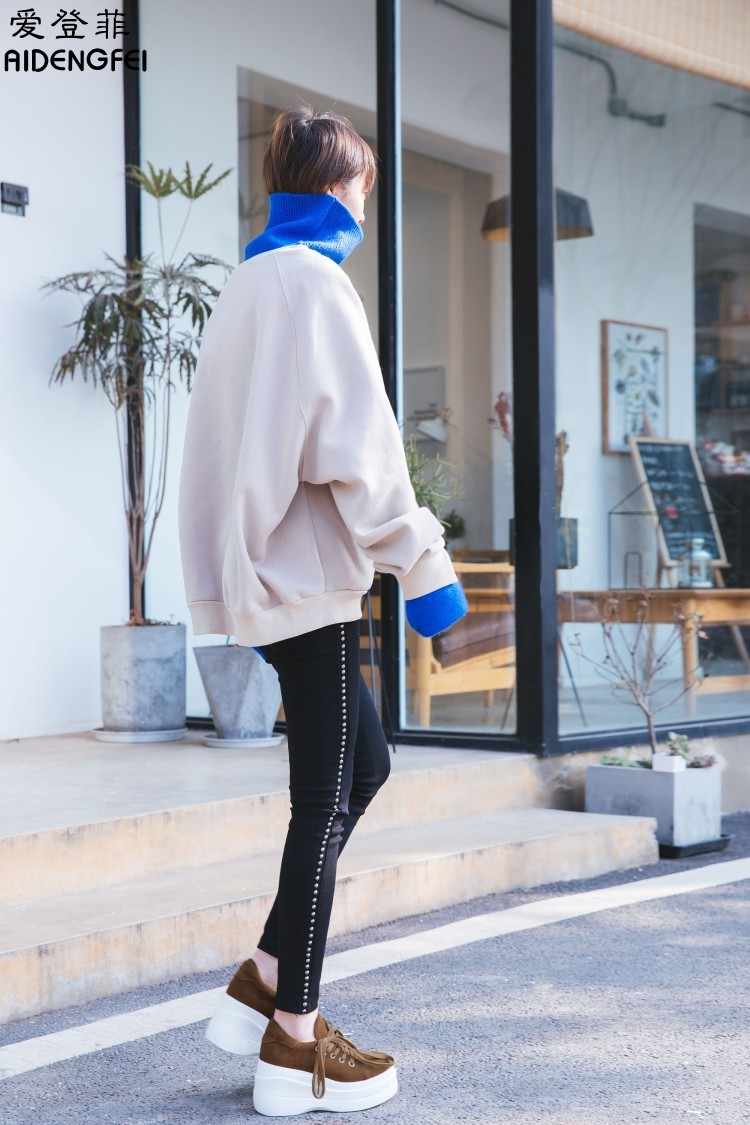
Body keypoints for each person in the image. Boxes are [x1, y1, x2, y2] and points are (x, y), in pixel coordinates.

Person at [177, 104, 468, 1117]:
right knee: (325, 801)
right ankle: (293, 1042)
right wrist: (421, 563)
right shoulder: (313, 283)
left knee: (362, 769)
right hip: (309, 582)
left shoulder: (248, 284)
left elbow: (215, 449)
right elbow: (362, 450)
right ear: (341, 187)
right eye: (363, 189)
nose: (364, 207)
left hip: (268, 576)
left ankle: (264, 976)